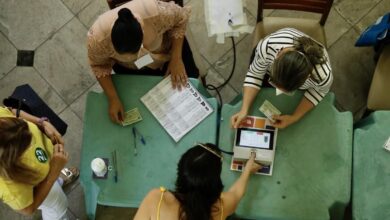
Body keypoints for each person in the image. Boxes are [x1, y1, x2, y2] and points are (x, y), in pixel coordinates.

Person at [87, 0, 199, 124]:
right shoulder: (97, 39)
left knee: (190, 85)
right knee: (143, 106)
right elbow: (98, 65)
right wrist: (113, 98)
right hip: (132, 68)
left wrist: (176, 58)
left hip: (168, 51)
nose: (136, 55)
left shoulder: (156, 13)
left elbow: (181, 18)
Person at [231, 28, 333, 129]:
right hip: (266, 59)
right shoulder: (268, 47)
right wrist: (244, 110)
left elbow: (318, 92)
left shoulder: (323, 76)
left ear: (307, 77)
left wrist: (294, 117)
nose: (277, 91)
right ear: (278, 55)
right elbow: (255, 74)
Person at [134, 143, 261, 220]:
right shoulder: (222, 207)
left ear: (181, 174)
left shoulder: (156, 199)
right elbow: (237, 193)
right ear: (214, 184)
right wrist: (247, 170)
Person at [0, 106, 79, 219]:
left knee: (55, 183)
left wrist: (41, 123)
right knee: (58, 208)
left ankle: (59, 181)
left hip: (46, 170)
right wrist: (53, 173)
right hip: (42, 192)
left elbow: (9, 110)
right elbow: (28, 209)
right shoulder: (7, 186)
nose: (32, 135)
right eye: (26, 144)